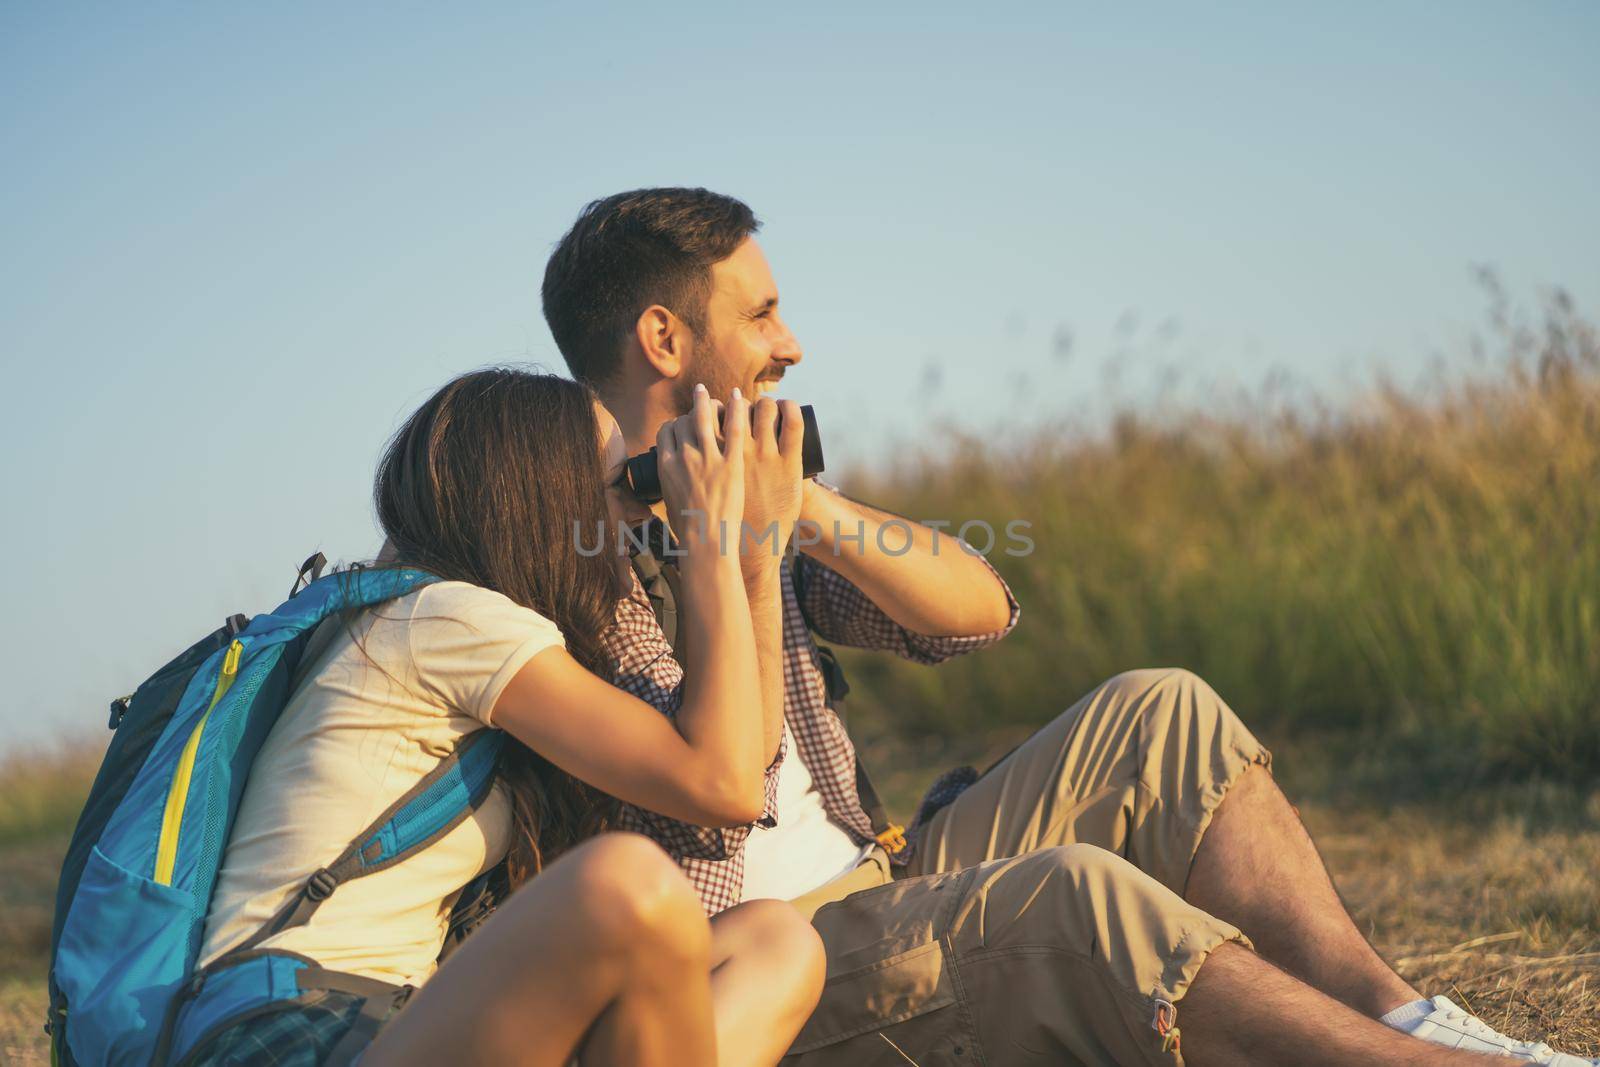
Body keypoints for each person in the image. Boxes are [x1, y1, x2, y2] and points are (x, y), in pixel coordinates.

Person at [539, 187, 1598, 1066]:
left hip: (885, 877)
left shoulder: (761, 504)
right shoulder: (563, 562)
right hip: (769, 965)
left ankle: (1405, 1014)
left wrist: (806, 511)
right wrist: (730, 551)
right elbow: (723, 782)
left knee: (1162, 710)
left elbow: (977, 611)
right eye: (760, 314)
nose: (792, 343)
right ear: (664, 337)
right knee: (1075, 899)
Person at [187, 371, 825, 1066]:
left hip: (386, 1019)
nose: (640, 517)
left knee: (774, 941)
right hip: (292, 1033)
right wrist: (710, 538)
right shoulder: (445, 617)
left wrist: (753, 559)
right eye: (620, 487)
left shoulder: (417, 617)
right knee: (626, 884)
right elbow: (723, 783)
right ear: (542, 501)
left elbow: (731, 784)